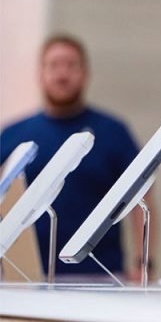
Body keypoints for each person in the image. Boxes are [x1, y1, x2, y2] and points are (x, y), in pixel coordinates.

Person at [0, 35, 153, 281]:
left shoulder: (113, 132)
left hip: (100, 276)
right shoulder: (12, 135)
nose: (62, 74)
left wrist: (144, 263)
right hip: (23, 277)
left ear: (85, 73)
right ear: (40, 74)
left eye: (71, 65)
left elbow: (142, 198)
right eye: (54, 66)